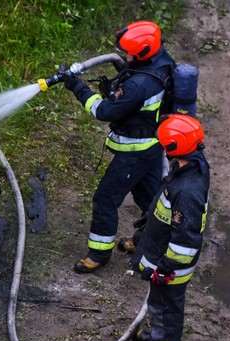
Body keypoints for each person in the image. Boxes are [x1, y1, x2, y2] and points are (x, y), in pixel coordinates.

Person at [61, 20, 175, 273]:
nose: (126, 55)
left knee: (105, 199)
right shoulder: (162, 62)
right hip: (153, 144)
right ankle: (149, 241)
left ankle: (98, 254)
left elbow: (102, 110)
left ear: (143, 52)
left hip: (135, 151)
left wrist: (76, 86)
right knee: (149, 198)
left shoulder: (138, 86)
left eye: (129, 52)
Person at [129, 114, 210, 341]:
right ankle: (157, 333)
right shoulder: (189, 164)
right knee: (158, 303)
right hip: (164, 254)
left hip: (172, 264)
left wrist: (166, 269)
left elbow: (185, 242)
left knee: (166, 308)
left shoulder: (188, 191)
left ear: (172, 147)